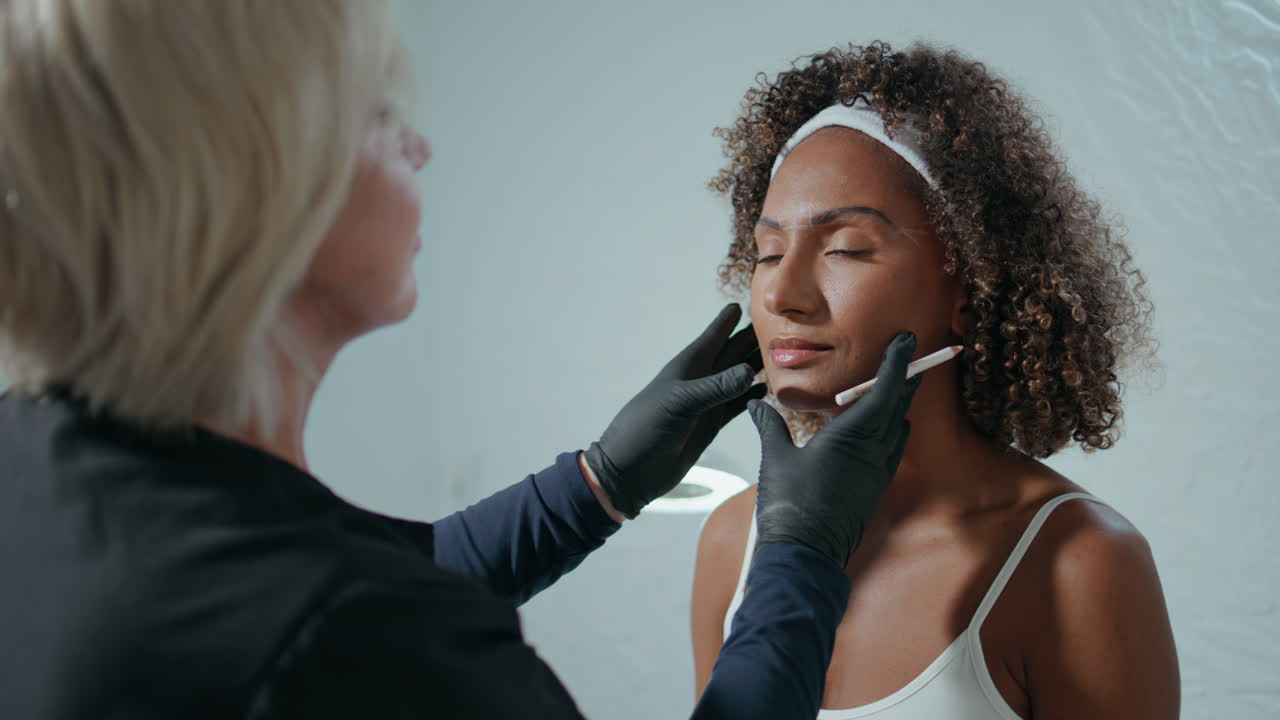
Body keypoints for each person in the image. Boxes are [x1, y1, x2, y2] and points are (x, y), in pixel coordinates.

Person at [0, 3, 921, 719]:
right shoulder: (355, 641)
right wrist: (801, 556)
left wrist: (594, 485)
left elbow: (327, 571)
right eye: (380, 112)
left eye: (844, 248)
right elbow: (350, 621)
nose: (422, 145)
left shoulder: (36, 458)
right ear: (258, 180)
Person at [692, 42, 1180, 718]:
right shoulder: (731, 541)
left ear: (972, 285)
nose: (782, 294)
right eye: (768, 252)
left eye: (846, 249)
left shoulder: (1077, 563)